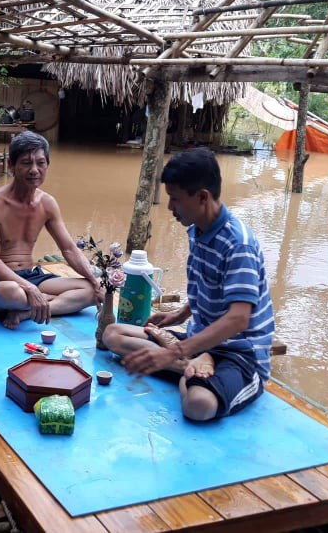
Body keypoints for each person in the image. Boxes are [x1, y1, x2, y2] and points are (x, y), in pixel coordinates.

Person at [102, 148, 275, 421]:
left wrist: (177, 351)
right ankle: (195, 365)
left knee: (198, 406)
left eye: (175, 199)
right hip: (201, 342)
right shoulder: (197, 230)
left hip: (240, 354)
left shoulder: (238, 244)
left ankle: (192, 369)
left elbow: (239, 319)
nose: (170, 207)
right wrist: (179, 315)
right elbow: (208, 285)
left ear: (202, 197)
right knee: (112, 334)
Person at [0, 132, 102, 329]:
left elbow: (69, 249)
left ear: (47, 166)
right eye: (26, 163)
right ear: (11, 166)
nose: (34, 170)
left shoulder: (47, 203)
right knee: (13, 292)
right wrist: (29, 289)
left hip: (30, 275)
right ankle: (38, 301)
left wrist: (94, 279)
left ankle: (27, 312)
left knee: (93, 289)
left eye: (40, 163)